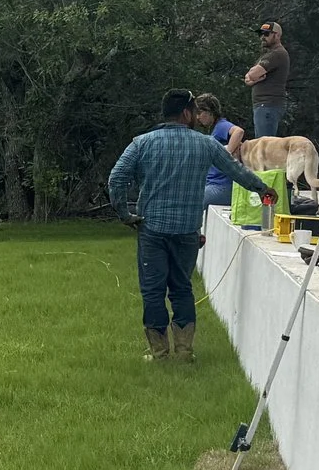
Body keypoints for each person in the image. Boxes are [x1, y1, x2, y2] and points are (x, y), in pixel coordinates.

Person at [108, 89, 276, 361]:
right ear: (186, 113)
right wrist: (263, 189)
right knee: (182, 288)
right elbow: (237, 171)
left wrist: (125, 214)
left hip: (152, 229)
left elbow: (116, 179)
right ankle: (185, 352)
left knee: (153, 290)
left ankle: (159, 353)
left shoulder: (142, 143)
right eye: (194, 111)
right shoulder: (206, 144)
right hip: (187, 232)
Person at [191, 93, 246, 212]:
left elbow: (239, 131)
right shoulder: (215, 129)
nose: (198, 117)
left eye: (200, 113)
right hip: (213, 184)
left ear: (210, 111)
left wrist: (227, 153)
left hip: (221, 186)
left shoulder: (221, 125)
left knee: (190, 202)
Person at [245, 20, 291, 138]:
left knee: (264, 147)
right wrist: (254, 77)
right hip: (263, 106)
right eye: (261, 34)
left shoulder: (277, 54)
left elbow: (252, 74)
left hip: (267, 105)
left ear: (277, 35)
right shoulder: (267, 55)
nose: (262, 37)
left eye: (266, 34)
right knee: (262, 144)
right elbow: (248, 78)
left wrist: (254, 76)